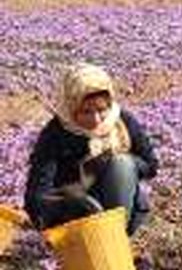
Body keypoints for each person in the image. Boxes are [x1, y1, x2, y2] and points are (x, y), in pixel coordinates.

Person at [25, 62, 158, 235]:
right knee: (87, 204)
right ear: (71, 107)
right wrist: (68, 207)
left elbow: (151, 165)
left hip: (120, 205)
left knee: (122, 164)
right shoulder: (55, 133)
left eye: (101, 109)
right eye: (86, 112)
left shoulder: (122, 121)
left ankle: (114, 236)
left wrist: (112, 163)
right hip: (74, 215)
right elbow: (36, 195)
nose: (96, 120)